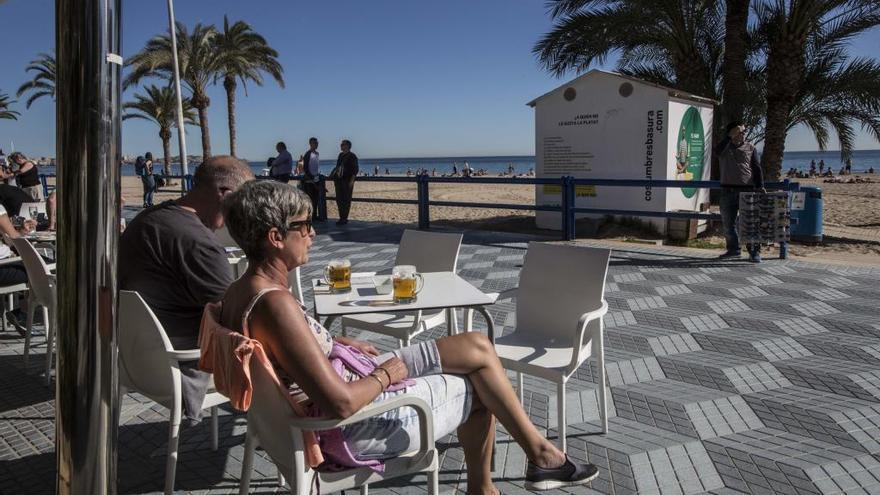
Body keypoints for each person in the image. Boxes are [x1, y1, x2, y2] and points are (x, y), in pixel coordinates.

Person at [218, 180, 600, 492]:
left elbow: (288, 355)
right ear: (276, 237)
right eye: (304, 225)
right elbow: (340, 405)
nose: (313, 233)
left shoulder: (240, 292)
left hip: (337, 392)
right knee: (483, 386)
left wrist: (334, 343)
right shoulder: (275, 305)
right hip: (353, 427)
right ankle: (511, 473)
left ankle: (535, 458)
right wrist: (388, 374)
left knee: (476, 345)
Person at [119, 155, 254, 424]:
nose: (246, 210)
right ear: (225, 194)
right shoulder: (197, 243)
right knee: (279, 348)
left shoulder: (148, 219)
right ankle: (290, 436)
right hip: (184, 367)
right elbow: (243, 321)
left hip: (135, 360)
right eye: (244, 201)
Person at [716, 121, 764, 263]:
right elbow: (716, 152)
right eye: (740, 131)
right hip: (727, 191)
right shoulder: (724, 147)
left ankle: (754, 252)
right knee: (728, 224)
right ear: (733, 132)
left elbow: (756, 168)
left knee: (750, 224)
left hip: (747, 191)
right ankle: (733, 250)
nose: (743, 134)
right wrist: (729, 137)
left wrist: (760, 185)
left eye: (744, 131)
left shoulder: (751, 147)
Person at [333, 139, 359, 226]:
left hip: (347, 181)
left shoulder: (352, 156)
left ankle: (344, 218)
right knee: (339, 200)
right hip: (339, 181)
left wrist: (351, 181)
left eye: (343, 144)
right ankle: (341, 217)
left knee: (346, 200)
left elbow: (355, 170)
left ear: (347, 146)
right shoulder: (340, 155)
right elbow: (337, 167)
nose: (341, 145)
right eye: (341, 144)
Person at [300, 137, 320, 220]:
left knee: (315, 199)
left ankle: (314, 215)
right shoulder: (308, 154)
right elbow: (305, 168)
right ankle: (310, 216)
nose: (316, 144)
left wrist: (317, 176)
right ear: (310, 144)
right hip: (309, 180)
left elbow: (316, 166)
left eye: (317, 143)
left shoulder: (317, 153)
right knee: (310, 198)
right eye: (314, 143)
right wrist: (310, 178)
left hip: (316, 178)